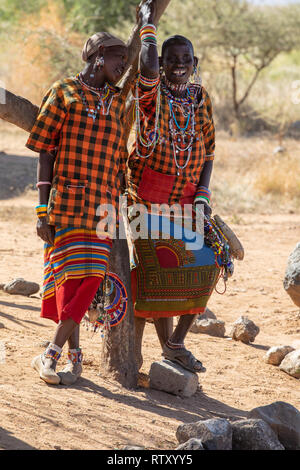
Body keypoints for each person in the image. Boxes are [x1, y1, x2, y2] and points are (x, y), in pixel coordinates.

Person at [126, 0, 227, 373]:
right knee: (160, 274)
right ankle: (169, 348)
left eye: (185, 58)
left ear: (194, 62)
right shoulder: (150, 96)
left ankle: (175, 343)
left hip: (189, 201)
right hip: (148, 201)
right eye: (172, 58)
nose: (179, 64)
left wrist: (202, 195)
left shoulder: (200, 99)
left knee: (213, 259)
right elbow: (148, 68)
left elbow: (210, 151)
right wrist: (147, 25)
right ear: (163, 62)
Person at [26, 32, 129, 386]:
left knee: (92, 279)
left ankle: (50, 354)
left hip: (103, 209)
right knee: (71, 284)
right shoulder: (63, 92)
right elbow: (44, 152)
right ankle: (68, 357)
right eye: (119, 60)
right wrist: (42, 211)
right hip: (66, 204)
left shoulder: (117, 103)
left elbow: (119, 161)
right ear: (100, 55)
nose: (123, 68)